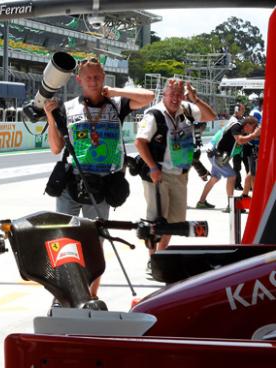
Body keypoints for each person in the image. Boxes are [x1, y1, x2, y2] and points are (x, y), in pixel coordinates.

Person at [44, 57, 154, 297]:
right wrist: (51, 118)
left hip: (104, 184)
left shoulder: (117, 104)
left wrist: (113, 91)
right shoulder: (67, 107)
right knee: (62, 240)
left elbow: (149, 97)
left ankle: (92, 294)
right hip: (72, 181)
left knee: (96, 241)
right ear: (79, 80)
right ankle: (63, 292)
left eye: (97, 77)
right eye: (88, 77)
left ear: (103, 78)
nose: (93, 82)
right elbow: (55, 148)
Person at [134, 79, 216, 254]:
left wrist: (195, 98)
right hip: (159, 175)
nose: (175, 98)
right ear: (164, 95)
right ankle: (153, 259)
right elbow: (139, 142)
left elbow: (211, 116)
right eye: (172, 94)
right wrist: (153, 168)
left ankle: (162, 255)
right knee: (156, 222)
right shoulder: (154, 115)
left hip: (180, 174)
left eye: (179, 94)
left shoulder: (186, 109)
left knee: (174, 223)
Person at [196, 115, 260, 212]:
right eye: (253, 127)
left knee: (214, 178)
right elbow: (239, 140)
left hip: (219, 155)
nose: (254, 130)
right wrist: (254, 135)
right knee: (232, 176)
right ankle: (231, 206)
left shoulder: (243, 132)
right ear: (247, 125)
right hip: (216, 153)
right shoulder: (237, 127)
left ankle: (201, 202)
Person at [242, 98, 263, 198]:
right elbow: (257, 128)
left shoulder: (257, 112)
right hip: (253, 146)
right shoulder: (256, 113)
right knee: (254, 173)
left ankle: (245, 194)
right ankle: (256, 196)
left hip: (253, 144)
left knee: (252, 172)